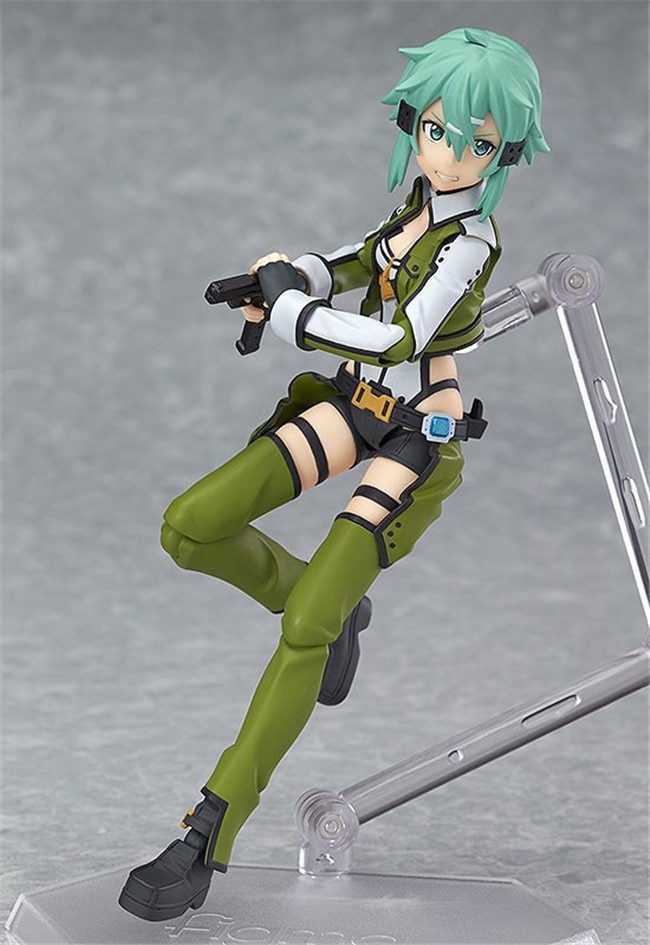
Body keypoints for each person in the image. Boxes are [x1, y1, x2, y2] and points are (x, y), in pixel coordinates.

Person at [119, 27, 549, 922]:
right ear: (414, 122)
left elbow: (401, 336)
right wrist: (285, 274)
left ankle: (208, 831)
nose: (449, 152)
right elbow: (357, 262)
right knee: (188, 525)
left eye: (474, 141)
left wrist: (292, 312)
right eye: (436, 129)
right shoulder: (416, 209)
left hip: (418, 436)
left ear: (503, 150)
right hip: (355, 405)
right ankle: (335, 605)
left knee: (304, 628)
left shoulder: (472, 242)